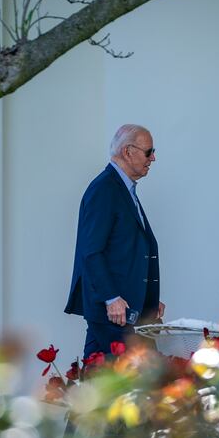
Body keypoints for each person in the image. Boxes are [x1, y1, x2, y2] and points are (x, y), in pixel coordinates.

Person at [64, 124, 165, 359]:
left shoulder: (122, 189)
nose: (153, 158)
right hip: (116, 313)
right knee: (135, 374)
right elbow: (91, 251)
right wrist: (111, 298)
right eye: (149, 152)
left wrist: (148, 298)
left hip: (126, 310)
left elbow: (125, 250)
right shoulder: (105, 189)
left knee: (99, 370)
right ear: (128, 152)